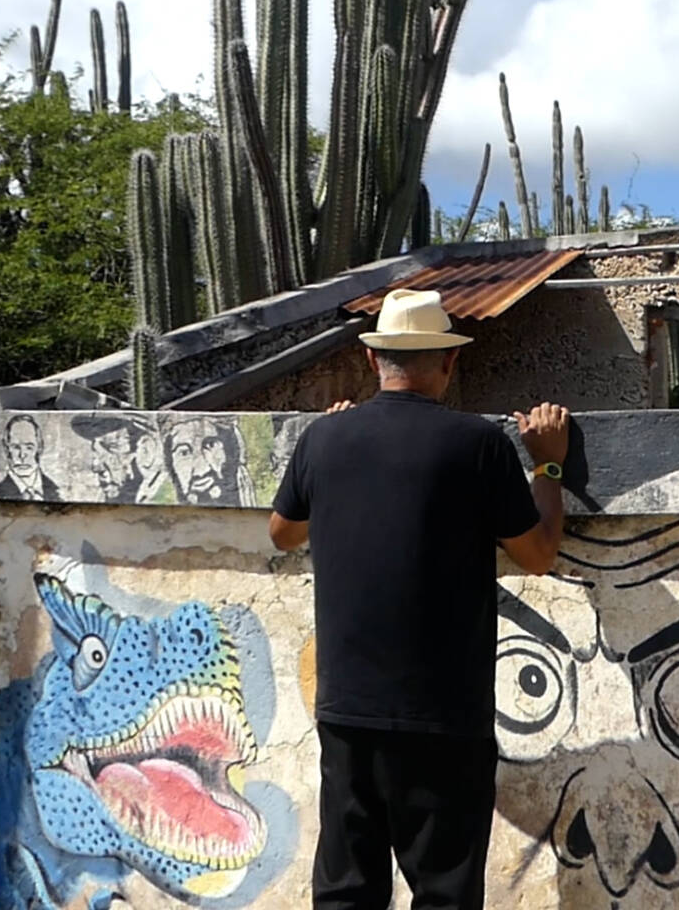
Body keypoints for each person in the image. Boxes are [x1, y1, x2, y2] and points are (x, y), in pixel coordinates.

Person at [267, 288, 570, 910]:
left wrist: (329, 456)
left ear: (376, 361)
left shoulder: (323, 441)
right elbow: (538, 556)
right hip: (444, 717)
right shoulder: (477, 445)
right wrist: (550, 467)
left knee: (347, 892)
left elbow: (282, 533)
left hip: (347, 710)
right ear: (448, 364)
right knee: (444, 892)